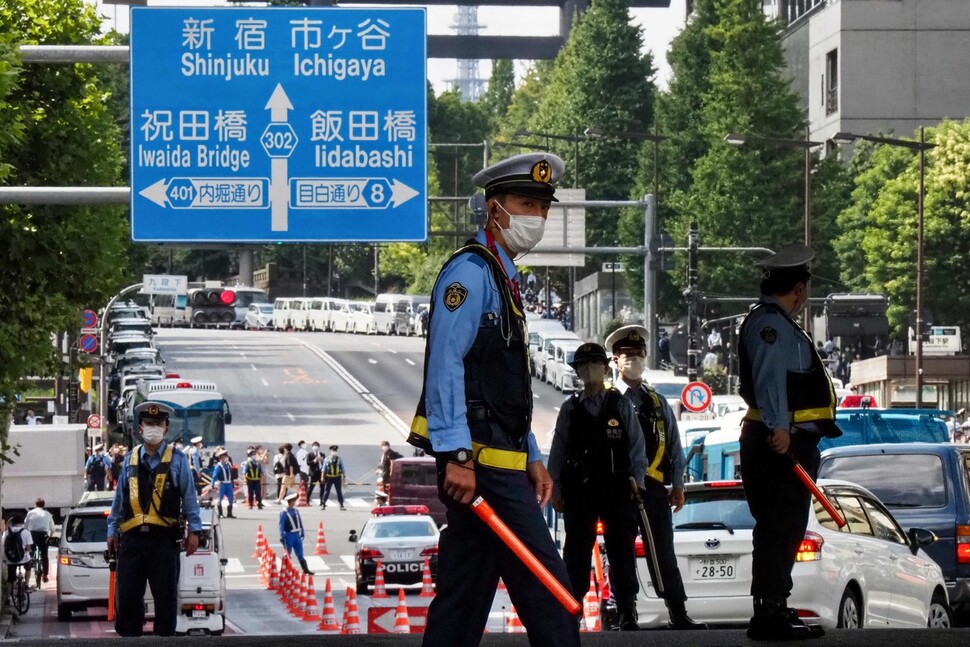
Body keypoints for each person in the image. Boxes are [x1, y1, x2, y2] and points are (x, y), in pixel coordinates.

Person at [408, 152, 580, 646]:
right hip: (483, 468)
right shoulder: (470, 274)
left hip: (499, 462)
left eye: (543, 208)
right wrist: (456, 456)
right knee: (553, 595)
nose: (537, 217)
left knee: (461, 603)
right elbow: (445, 364)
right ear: (493, 208)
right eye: (526, 203)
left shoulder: (502, 277)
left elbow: (499, 385)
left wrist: (531, 454)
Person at [737, 245, 840, 641]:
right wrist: (780, 427)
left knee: (781, 527)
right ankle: (771, 611)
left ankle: (773, 607)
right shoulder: (772, 325)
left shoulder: (774, 321)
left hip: (782, 440)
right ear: (798, 289)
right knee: (781, 526)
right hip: (779, 442)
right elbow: (770, 378)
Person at [606, 324, 707, 630]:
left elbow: (675, 445)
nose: (634, 359)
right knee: (620, 550)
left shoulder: (657, 401)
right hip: (618, 488)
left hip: (653, 487)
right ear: (615, 360)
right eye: (627, 354)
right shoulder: (607, 400)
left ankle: (678, 610)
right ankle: (626, 613)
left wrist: (678, 485)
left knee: (663, 550)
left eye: (639, 354)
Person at [547, 342, 647, 631]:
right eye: (583, 365)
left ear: (605, 368)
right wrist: (556, 489)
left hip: (617, 489)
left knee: (622, 551)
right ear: (577, 372)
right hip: (580, 491)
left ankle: (627, 610)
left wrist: (637, 482)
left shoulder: (621, 404)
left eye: (595, 364)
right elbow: (559, 449)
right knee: (576, 552)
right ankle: (572, 610)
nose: (590, 370)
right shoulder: (570, 408)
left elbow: (636, 448)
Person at [106, 401, 202, 637]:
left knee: (166, 598)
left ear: (166, 428)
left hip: (164, 541)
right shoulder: (129, 459)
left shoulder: (178, 460)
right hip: (131, 540)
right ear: (140, 428)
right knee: (127, 598)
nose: (153, 428)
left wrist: (194, 531)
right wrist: (111, 531)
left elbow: (190, 498)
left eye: (158, 424)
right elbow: (119, 500)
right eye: (149, 423)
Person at [279, 492, 313, 575]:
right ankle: (284, 570)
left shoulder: (296, 511)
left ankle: (305, 569)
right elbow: (281, 525)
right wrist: (282, 536)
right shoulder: (284, 512)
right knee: (287, 554)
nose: (294, 503)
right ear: (289, 502)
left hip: (297, 535)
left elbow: (300, 522)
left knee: (300, 553)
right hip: (289, 535)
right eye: (293, 502)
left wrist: (302, 531)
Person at [2, 514, 33, 602]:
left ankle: (7, 599)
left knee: (10, 579)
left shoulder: (7, 531)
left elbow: (4, 545)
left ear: (12, 523)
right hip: (23, 558)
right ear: (22, 523)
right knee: (28, 568)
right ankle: (26, 585)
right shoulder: (26, 532)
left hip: (10, 558)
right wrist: (28, 551)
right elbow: (28, 548)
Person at [24, 498, 54, 584]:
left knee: (30, 553)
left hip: (33, 535)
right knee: (45, 555)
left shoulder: (30, 513)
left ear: (35, 505)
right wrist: (51, 535)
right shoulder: (48, 514)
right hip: (44, 535)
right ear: (44, 505)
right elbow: (53, 528)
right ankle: (45, 575)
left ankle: (29, 566)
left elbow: (26, 526)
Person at [320, 445, 346, 510]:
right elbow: (323, 469)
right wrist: (322, 477)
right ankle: (323, 503)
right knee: (327, 491)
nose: (334, 452)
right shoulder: (327, 459)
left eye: (335, 451)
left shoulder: (339, 459)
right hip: (329, 477)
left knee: (339, 491)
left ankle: (341, 504)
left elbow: (343, 469)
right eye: (333, 451)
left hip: (337, 477)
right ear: (331, 451)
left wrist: (344, 478)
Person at [212, 449, 236, 518]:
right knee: (220, 498)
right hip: (222, 484)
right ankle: (220, 513)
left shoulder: (229, 465)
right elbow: (214, 476)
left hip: (229, 484)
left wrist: (232, 484)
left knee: (231, 498)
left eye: (226, 456)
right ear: (221, 457)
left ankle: (229, 513)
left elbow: (231, 475)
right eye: (224, 456)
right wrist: (212, 484)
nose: (226, 457)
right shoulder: (218, 466)